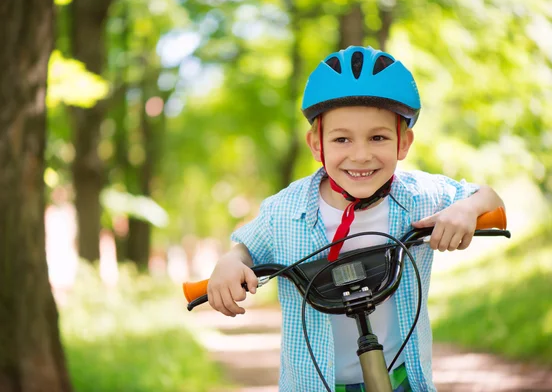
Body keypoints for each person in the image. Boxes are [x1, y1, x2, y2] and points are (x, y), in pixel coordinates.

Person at [207, 46, 505, 391]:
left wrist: (466, 210)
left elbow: (490, 199)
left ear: (403, 143)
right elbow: (246, 248)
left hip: (402, 380)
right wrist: (230, 262)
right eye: (342, 139)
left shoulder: (420, 198)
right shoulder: (285, 211)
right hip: (315, 383)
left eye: (378, 137)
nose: (361, 155)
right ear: (317, 145)